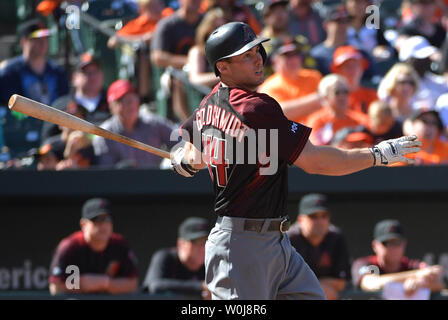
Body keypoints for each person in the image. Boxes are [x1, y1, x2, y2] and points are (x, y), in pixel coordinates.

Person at [170, 22, 422, 300]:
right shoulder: (255, 107)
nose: (257, 59)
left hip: (273, 240)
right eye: (246, 55)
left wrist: (183, 160)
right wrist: (376, 155)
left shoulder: (207, 105)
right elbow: (315, 162)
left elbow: (194, 154)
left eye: (257, 51)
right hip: (242, 245)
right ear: (223, 68)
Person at [0, 19, 69, 158]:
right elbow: (7, 106)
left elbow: (63, 103)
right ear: (24, 42)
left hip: (53, 132)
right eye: (36, 39)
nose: (43, 43)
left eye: (45, 38)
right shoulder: (10, 73)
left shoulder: (57, 72)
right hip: (20, 133)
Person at [48, 198, 139, 295]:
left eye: (107, 219)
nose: (103, 225)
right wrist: (81, 284)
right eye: (97, 219)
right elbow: (55, 287)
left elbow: (133, 284)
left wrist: (105, 283)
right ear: (83, 224)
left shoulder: (120, 244)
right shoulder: (70, 247)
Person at [92, 79, 178, 168]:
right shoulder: (104, 134)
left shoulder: (153, 123)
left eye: (133, 98)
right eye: (123, 100)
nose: (131, 104)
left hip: (156, 179)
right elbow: (106, 174)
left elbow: (181, 144)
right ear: (112, 107)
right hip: (122, 180)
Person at [351, 219, 445, 296]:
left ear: (404, 244)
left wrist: (422, 283)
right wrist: (416, 275)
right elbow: (371, 284)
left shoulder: (410, 265)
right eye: (387, 243)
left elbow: (440, 283)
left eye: (397, 242)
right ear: (375, 246)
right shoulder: (366, 264)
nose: (393, 248)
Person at [287, 194, 351, 300]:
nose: (320, 221)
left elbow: (341, 283)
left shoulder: (336, 237)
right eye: (313, 216)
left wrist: (309, 287)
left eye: (324, 216)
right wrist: (318, 287)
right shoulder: (288, 239)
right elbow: (283, 282)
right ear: (300, 220)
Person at [42, 52, 110, 141]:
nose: (92, 76)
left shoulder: (113, 104)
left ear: (102, 75)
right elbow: (45, 143)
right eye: (87, 72)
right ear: (74, 78)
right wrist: (64, 137)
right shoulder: (61, 106)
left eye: (95, 71)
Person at [258, 38, 323, 124]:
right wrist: (318, 99)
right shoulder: (268, 87)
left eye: (296, 54)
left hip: (318, 130)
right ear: (275, 61)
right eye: (287, 56)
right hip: (289, 134)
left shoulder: (314, 76)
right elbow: (279, 113)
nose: (293, 60)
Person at [142, 217, 210, 299]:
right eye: (197, 242)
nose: (203, 248)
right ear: (181, 244)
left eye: (206, 242)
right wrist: (200, 286)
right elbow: (153, 285)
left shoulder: (210, 263)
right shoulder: (166, 257)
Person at [307, 74, 368, 145]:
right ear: (325, 97)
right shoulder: (317, 121)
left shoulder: (360, 119)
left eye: (345, 92)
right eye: (337, 92)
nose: (342, 96)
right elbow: (315, 151)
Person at [397, 36, 448, 111]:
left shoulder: (436, 81)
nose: (426, 61)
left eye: (427, 57)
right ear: (409, 60)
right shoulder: (397, 85)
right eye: (420, 59)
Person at [331, 45, 378, 114]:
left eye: (355, 65)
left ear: (362, 68)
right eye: (347, 66)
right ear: (338, 70)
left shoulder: (373, 96)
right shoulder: (331, 99)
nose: (352, 70)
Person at [186, 8, 227, 88]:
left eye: (223, 27)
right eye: (216, 27)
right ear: (207, 30)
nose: (220, 32)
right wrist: (225, 76)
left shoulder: (230, 51)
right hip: (207, 96)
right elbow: (195, 79)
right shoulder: (197, 51)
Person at [310, 4, 350, 76]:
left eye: (345, 21)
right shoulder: (316, 55)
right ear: (326, 25)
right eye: (338, 21)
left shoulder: (356, 52)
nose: (342, 26)